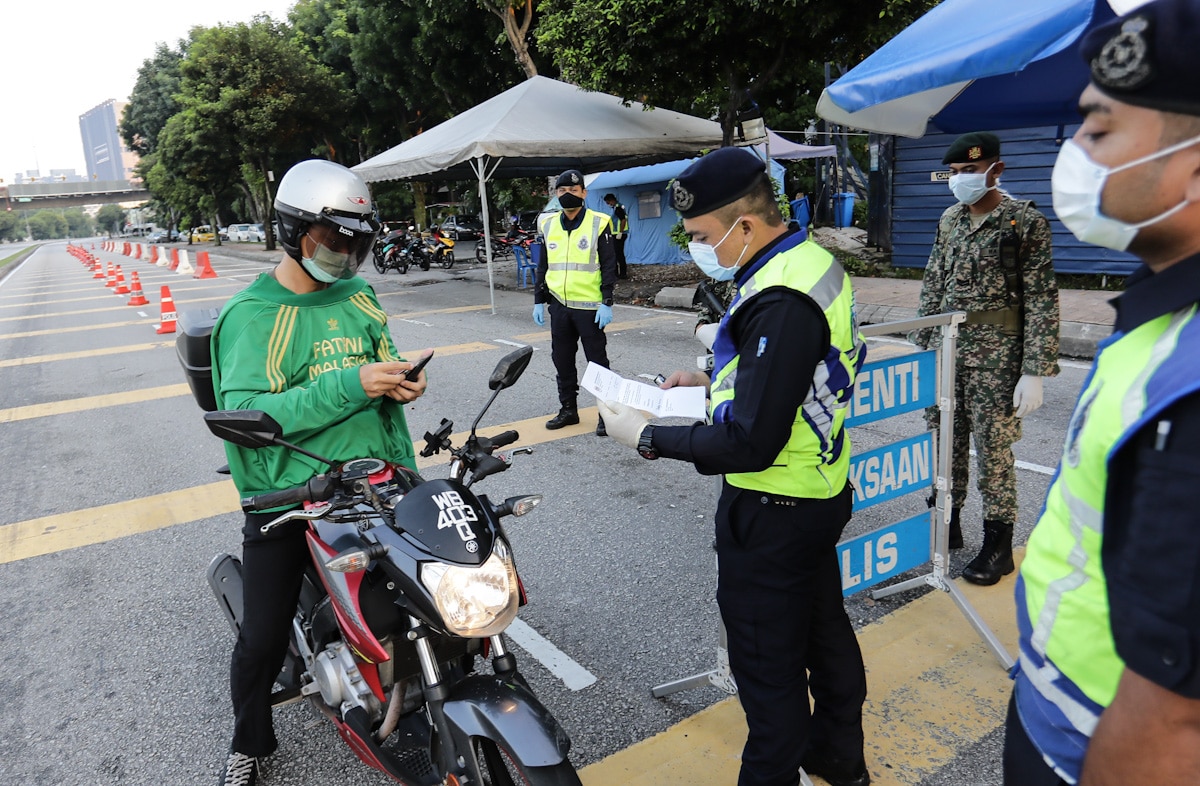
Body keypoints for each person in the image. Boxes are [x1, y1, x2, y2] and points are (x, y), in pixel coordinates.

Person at [598, 147, 870, 786]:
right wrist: (707, 376)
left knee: (765, 664)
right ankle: (839, 757)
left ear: (744, 226)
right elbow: (790, 375)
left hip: (774, 505)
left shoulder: (781, 298)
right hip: (820, 489)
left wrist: (650, 437)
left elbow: (751, 443)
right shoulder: (809, 264)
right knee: (824, 632)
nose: (698, 248)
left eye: (700, 236)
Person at [1005, 1, 1200, 783]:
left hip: (1094, 750)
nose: (1074, 152)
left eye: (1100, 129)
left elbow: (1176, 718)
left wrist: (1030, 363)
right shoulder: (1164, 310)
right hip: (1061, 713)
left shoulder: (1188, 379)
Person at [210, 159, 429, 786]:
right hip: (291, 494)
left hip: (378, 480)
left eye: (359, 241)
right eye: (335, 240)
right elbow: (250, 415)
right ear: (293, 231)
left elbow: (379, 361)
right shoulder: (252, 317)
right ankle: (248, 742)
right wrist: (352, 384)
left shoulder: (359, 293)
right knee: (262, 637)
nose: (348, 254)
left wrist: (397, 383)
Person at [911, 131, 1060, 585]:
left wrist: (1034, 370)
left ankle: (997, 544)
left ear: (996, 169)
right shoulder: (950, 219)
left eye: (970, 172)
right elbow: (933, 285)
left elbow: (1041, 298)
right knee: (944, 444)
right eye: (955, 174)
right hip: (948, 353)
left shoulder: (1023, 223)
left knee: (993, 452)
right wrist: (922, 351)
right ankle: (946, 524)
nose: (961, 181)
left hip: (997, 360)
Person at [533, 169, 618, 436]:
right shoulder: (548, 224)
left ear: (583, 193)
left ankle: (607, 414)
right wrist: (538, 300)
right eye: (561, 191)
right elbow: (543, 265)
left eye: (572, 190)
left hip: (590, 308)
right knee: (562, 360)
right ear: (556, 194)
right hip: (559, 305)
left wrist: (607, 301)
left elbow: (608, 265)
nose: (567, 195)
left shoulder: (599, 222)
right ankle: (568, 410)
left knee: (597, 362)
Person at [603, 192, 629, 278]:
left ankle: (622, 274)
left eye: (608, 202)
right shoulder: (617, 207)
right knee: (617, 253)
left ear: (611, 200)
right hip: (616, 234)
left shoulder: (618, 208)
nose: (608, 204)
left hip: (619, 234)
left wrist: (620, 232)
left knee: (618, 254)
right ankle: (618, 273)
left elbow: (623, 220)